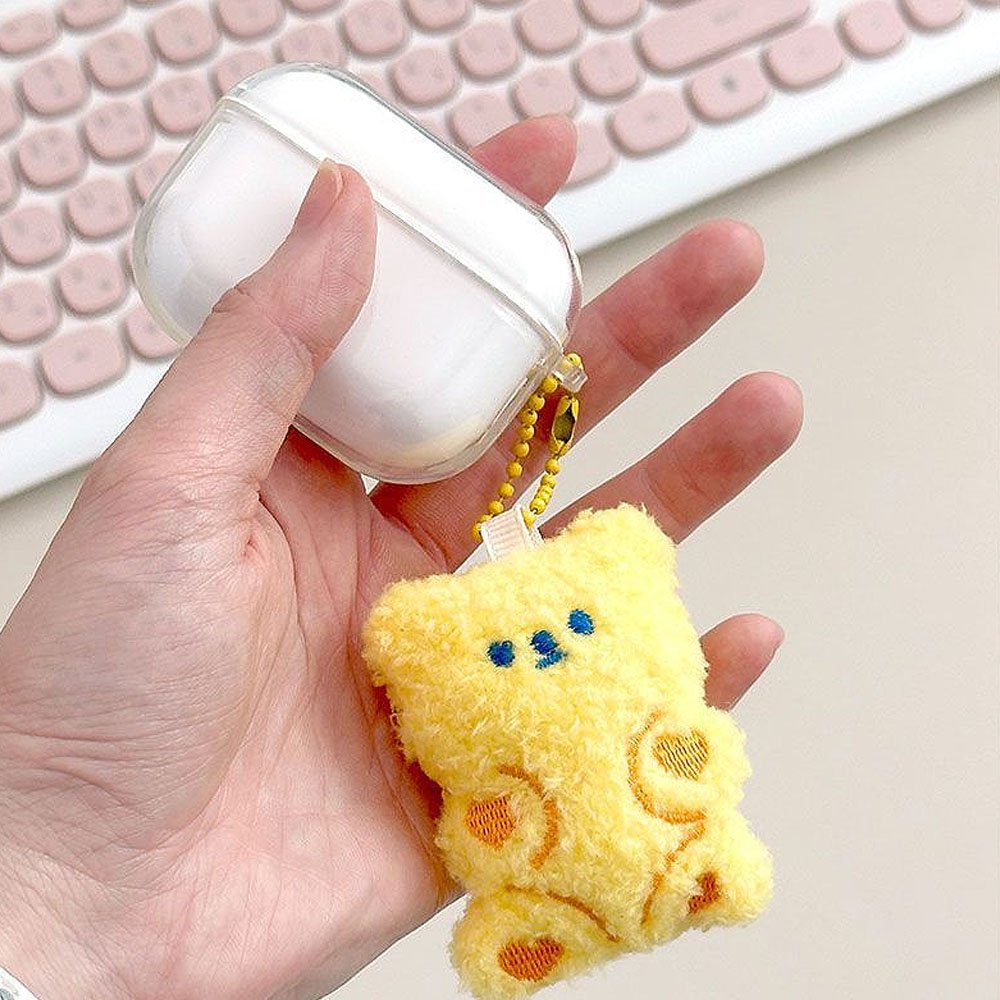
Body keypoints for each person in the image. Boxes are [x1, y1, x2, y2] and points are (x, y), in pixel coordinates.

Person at [0, 117, 802, 1000]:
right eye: (519, 649)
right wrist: (62, 883)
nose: (543, 649)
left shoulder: (511, 601)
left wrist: (63, 907)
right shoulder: (436, 629)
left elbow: (687, 754)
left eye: (565, 630)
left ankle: (683, 878)